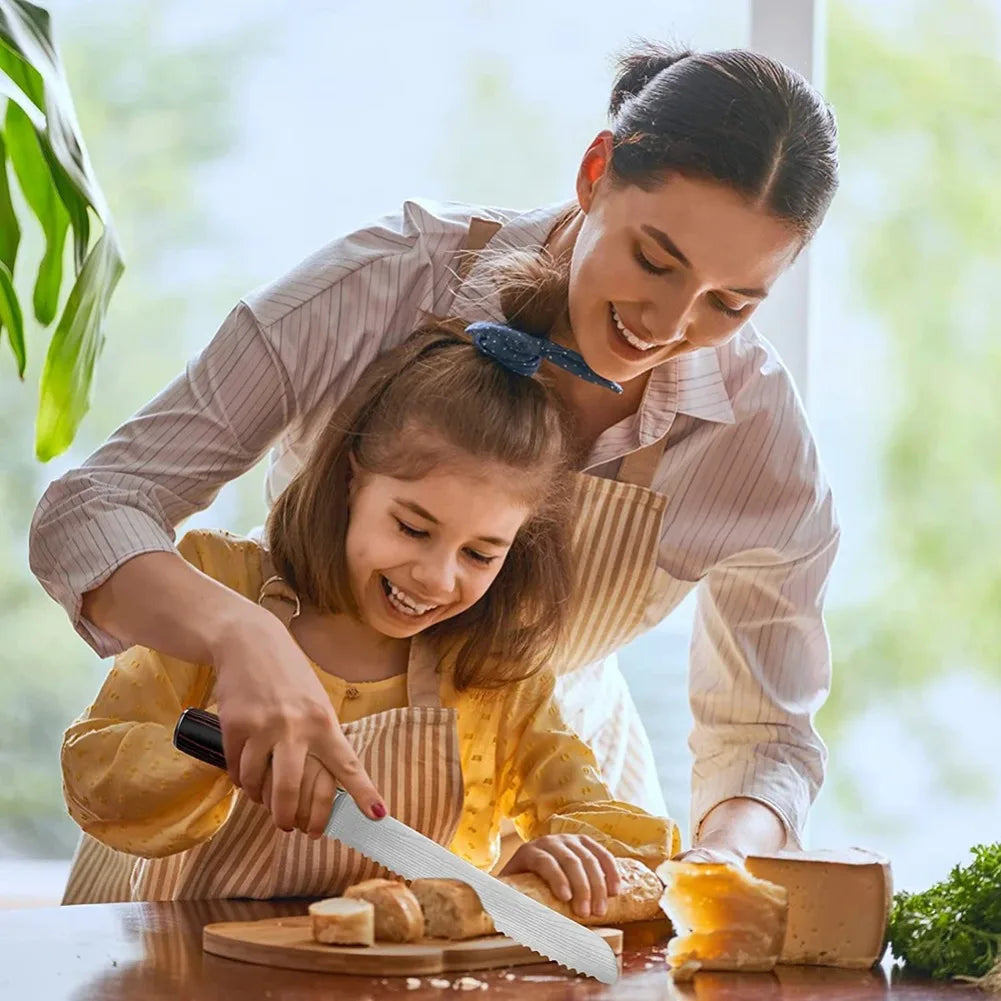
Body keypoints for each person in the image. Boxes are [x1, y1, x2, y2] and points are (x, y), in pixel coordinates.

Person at [33, 42, 840, 868]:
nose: (668, 323)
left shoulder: (759, 439)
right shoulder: (386, 280)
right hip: (216, 807)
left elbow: (767, 737)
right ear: (595, 172)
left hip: (521, 834)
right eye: (652, 260)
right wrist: (243, 637)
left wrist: (722, 861)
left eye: (730, 302)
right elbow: (90, 509)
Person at [59, 296, 679, 908]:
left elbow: (592, 818)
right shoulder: (221, 582)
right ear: (353, 478)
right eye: (412, 528)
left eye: (480, 554)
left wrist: (545, 864)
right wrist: (223, 749)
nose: (437, 579)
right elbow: (95, 774)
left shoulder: (494, 672)